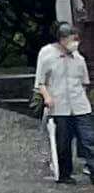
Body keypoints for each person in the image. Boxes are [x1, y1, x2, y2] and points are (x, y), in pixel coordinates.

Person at [33, 26, 93, 184]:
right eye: (73, 39)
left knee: (88, 139)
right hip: (59, 107)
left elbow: (84, 82)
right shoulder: (47, 54)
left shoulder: (78, 59)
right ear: (62, 39)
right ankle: (64, 173)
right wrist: (47, 97)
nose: (76, 43)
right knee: (63, 142)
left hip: (80, 105)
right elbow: (41, 81)